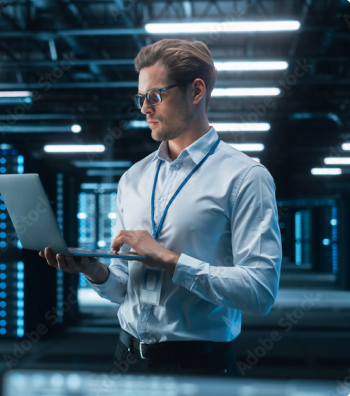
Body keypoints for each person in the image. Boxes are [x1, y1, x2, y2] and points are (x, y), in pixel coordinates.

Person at [39, 38, 282, 377]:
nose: (144, 109)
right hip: (126, 360)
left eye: (155, 96)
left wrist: (170, 260)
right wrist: (95, 271)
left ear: (196, 91)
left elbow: (260, 291)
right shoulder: (132, 179)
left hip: (198, 367)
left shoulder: (244, 177)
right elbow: (125, 289)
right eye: (141, 98)